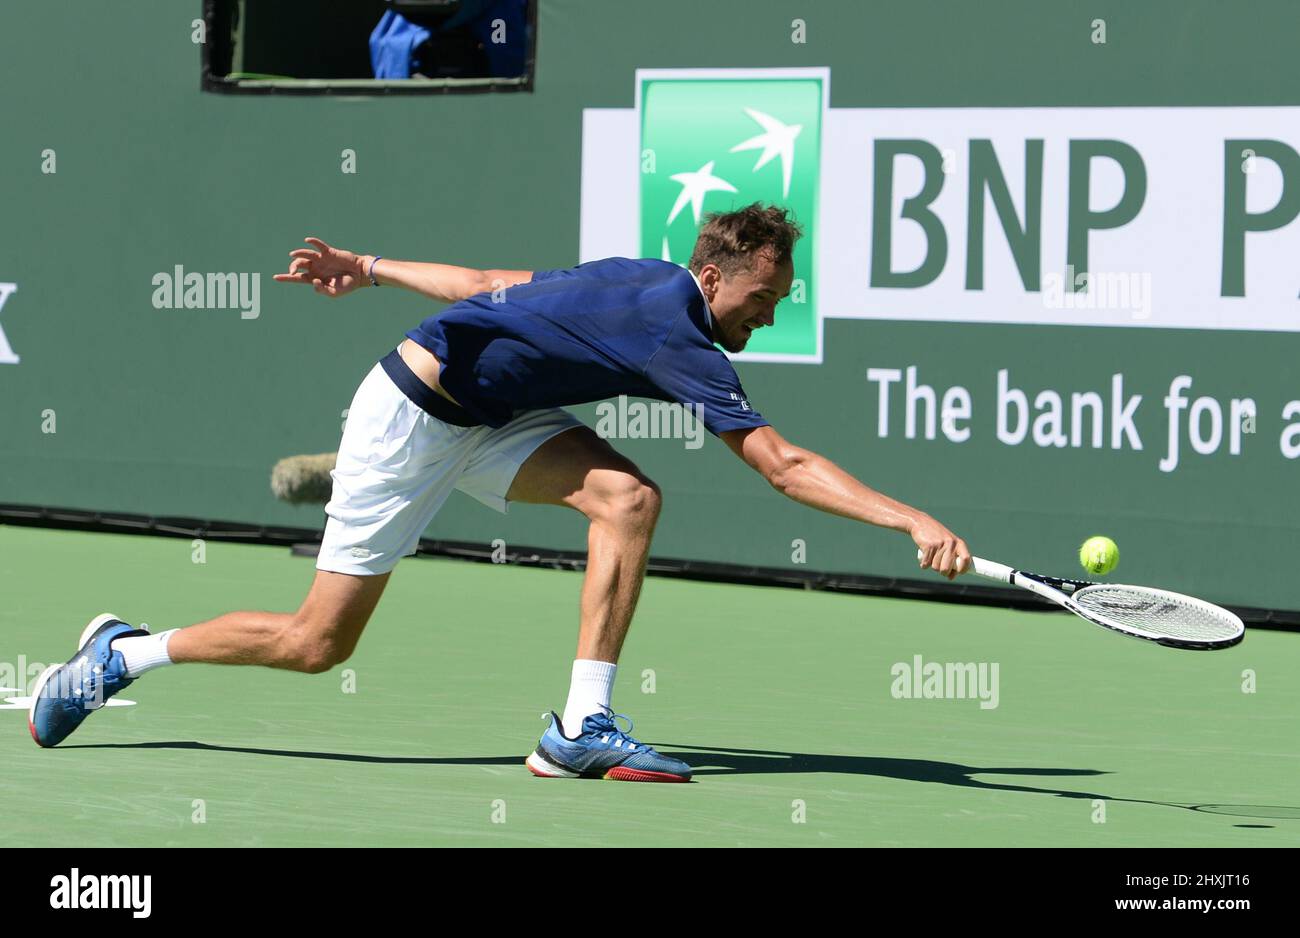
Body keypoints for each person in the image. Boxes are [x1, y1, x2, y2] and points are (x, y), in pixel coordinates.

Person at [29, 204, 971, 782]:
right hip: (410, 417)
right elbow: (782, 464)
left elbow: (489, 283)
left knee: (627, 499)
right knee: (316, 644)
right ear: (716, 276)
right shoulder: (671, 329)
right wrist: (910, 518)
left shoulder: (649, 278)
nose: (767, 316)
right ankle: (123, 655)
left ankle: (579, 728)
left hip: (496, 417)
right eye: (763, 298)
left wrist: (369, 269)